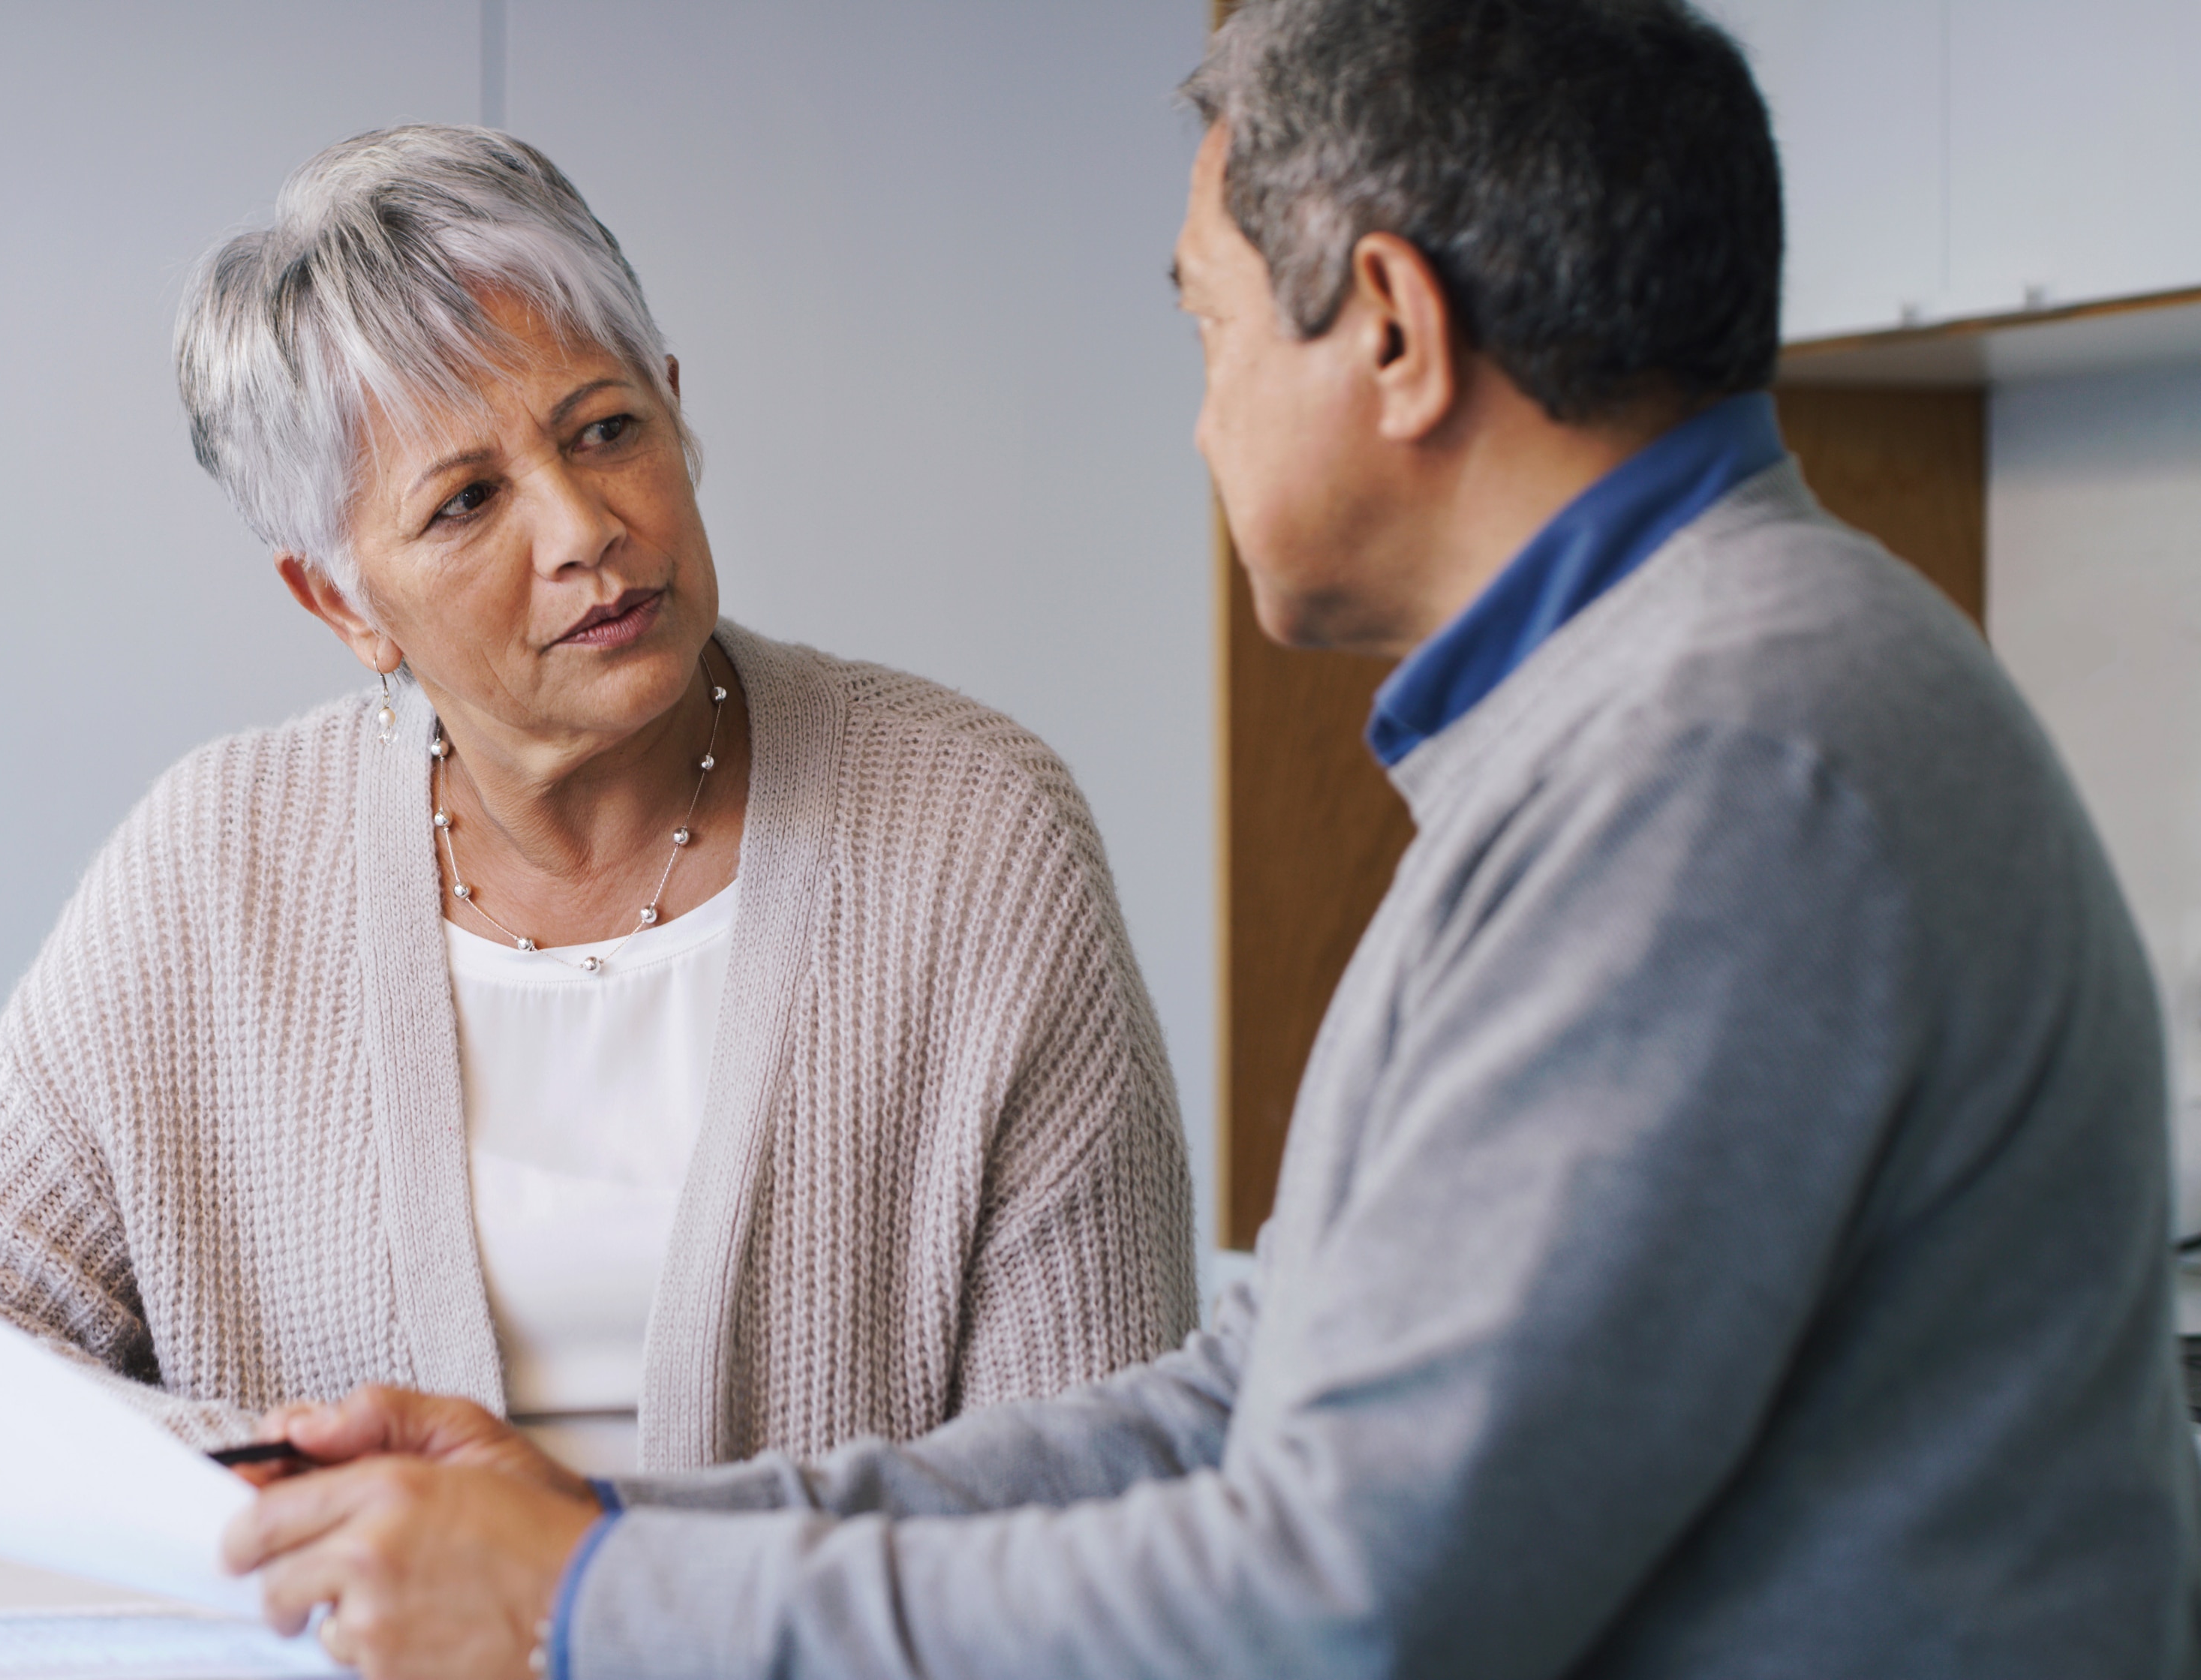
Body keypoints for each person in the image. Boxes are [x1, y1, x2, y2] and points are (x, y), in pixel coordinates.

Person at [217, 3, 2201, 1675]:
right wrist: (600, 1521)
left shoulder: (1723, 763)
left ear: (1397, 337)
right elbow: (1239, 1409)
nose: (1201, 423)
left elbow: (1339, 1601)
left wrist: (592, 1606)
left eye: (1213, 329)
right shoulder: (1657, 718)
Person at [0, 125, 1193, 1480]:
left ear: (676, 411)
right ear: (340, 600)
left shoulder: (977, 830)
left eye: (607, 430)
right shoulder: (217, 864)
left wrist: (600, 1581)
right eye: (466, 503)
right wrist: (336, 1496)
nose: (582, 529)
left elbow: (1108, 1491)